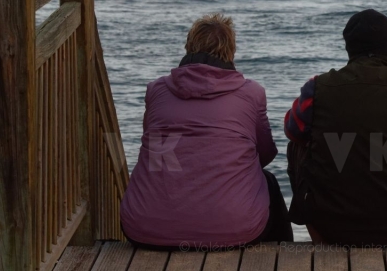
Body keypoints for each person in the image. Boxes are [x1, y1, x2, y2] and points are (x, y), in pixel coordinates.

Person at [120, 13, 293, 249]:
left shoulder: (157, 90)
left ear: (189, 46)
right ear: (231, 51)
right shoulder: (251, 92)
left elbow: (157, 150)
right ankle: (282, 256)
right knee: (269, 182)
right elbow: (266, 154)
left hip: (146, 228)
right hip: (233, 229)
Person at [284, 9, 387, 246]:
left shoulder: (317, 88)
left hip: (329, 226)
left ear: (350, 50)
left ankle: (318, 228)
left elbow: (292, 129)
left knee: (298, 145)